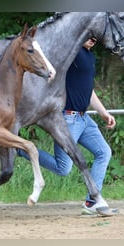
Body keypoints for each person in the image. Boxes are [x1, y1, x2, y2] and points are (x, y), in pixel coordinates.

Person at [18, 36, 119, 216]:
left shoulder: (89, 56)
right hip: (68, 118)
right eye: (89, 35)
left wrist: (103, 112)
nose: (93, 39)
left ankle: (92, 201)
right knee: (63, 168)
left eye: (96, 37)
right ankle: (19, 149)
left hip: (84, 119)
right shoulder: (71, 53)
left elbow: (88, 89)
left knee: (104, 152)